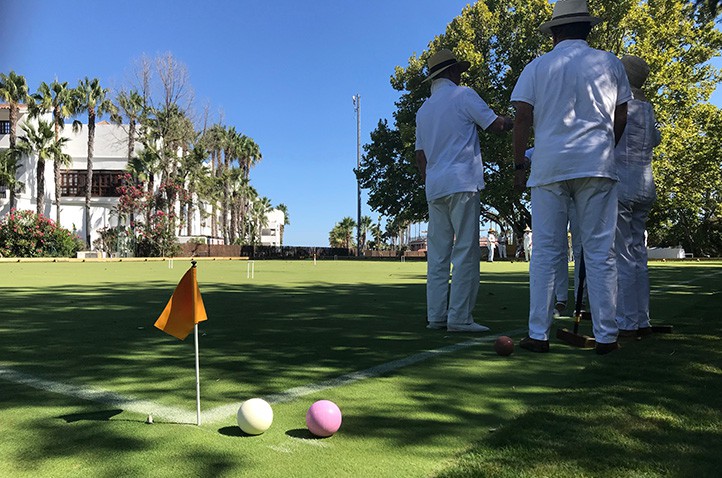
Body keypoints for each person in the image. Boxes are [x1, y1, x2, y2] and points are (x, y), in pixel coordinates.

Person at [511, 0, 631, 354]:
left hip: (549, 167)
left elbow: (521, 119)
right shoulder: (610, 63)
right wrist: (606, 147)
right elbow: (621, 115)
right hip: (596, 164)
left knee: (546, 251)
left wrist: (519, 167)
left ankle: (539, 333)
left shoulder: (537, 67)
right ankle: (607, 337)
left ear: (556, 32)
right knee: (599, 252)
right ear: (587, 30)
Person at [415, 48, 513, 332]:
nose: (461, 74)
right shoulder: (464, 95)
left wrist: (430, 179)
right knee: (466, 252)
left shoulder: (423, 111)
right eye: (458, 70)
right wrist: (511, 121)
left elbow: (420, 157)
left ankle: (436, 316)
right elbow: (494, 125)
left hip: (435, 186)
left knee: (438, 254)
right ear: (449, 73)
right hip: (462, 181)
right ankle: (459, 318)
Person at [615, 55, 661, 339]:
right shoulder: (648, 109)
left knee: (622, 254)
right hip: (645, 184)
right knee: (638, 253)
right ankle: (642, 318)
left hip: (621, 184)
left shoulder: (620, 107)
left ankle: (626, 320)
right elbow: (655, 139)